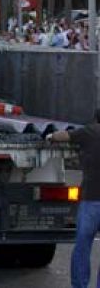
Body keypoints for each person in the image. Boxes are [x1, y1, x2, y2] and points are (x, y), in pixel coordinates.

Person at [49, 119, 100, 288]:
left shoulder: (90, 131)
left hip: (91, 201)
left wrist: (51, 136)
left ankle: (80, 285)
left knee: (82, 248)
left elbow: (63, 136)